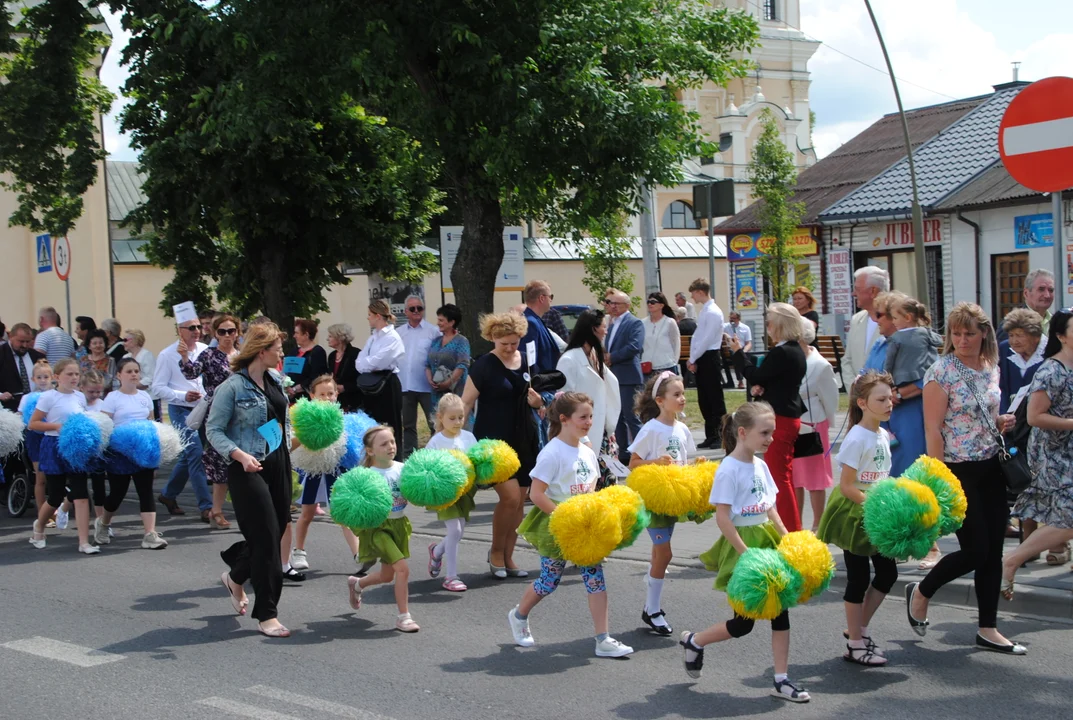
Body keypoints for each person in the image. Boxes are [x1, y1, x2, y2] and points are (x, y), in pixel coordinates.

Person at [907, 302, 1025, 654]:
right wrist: (940, 480)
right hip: (957, 470)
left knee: (994, 552)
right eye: (956, 333)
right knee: (976, 550)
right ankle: (923, 591)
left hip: (991, 465)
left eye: (969, 333)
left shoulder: (991, 366)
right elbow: (933, 430)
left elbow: (983, 413)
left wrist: (1000, 420)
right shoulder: (940, 372)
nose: (962, 339)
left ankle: (988, 628)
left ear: (984, 333)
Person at [684, 402, 809, 703]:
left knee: (781, 609)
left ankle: (782, 679)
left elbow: (770, 507)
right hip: (744, 545)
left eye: (772, 433)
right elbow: (723, 517)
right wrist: (745, 553)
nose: (770, 439)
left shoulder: (761, 465)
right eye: (764, 433)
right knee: (744, 623)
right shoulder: (728, 469)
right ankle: (694, 640)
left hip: (767, 539)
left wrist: (788, 538)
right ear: (742, 432)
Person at [508, 392, 634, 657]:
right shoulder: (552, 453)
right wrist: (563, 516)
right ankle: (519, 615)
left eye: (590, 417)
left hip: (584, 529)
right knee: (549, 581)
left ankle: (603, 639)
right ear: (564, 419)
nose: (588, 422)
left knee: (595, 579)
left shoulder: (587, 452)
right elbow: (536, 494)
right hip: (557, 525)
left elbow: (590, 486)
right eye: (583, 417)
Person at [207, 322, 293, 638]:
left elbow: (281, 423)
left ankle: (235, 575)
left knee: (276, 528)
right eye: (278, 349)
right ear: (261, 350)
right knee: (269, 538)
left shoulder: (276, 380)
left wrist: (293, 448)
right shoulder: (232, 387)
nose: (282, 353)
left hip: (278, 463)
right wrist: (240, 455)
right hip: (247, 468)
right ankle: (267, 614)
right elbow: (213, 430)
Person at [817, 371, 897, 665]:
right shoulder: (857, 437)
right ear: (862, 403)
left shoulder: (882, 434)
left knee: (888, 574)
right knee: (858, 578)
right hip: (856, 511)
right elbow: (847, 485)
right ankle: (855, 642)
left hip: (878, 508)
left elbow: (883, 475)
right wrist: (874, 505)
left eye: (890, 397)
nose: (889, 403)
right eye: (881, 399)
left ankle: (858, 630)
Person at [462, 312, 542, 579]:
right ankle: (495, 551)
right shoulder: (483, 365)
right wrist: (455, 436)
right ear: (492, 338)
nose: (509, 348)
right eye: (503, 343)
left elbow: (540, 398)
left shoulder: (527, 361)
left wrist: (538, 402)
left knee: (519, 502)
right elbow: (466, 402)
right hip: (493, 442)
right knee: (508, 498)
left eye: (513, 342)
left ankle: (509, 556)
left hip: (524, 437)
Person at [1002, 310, 1073, 595]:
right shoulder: (1051, 370)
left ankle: (1013, 559)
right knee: (1068, 518)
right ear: (1060, 336)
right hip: (1053, 453)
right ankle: (1013, 559)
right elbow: (1034, 416)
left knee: (1064, 519)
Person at [729, 303, 807, 532]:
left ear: (781, 324)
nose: (768, 326)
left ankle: (790, 531)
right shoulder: (795, 350)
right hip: (787, 414)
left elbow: (756, 374)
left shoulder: (782, 352)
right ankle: (789, 528)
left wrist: (738, 354)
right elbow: (773, 380)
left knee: (778, 478)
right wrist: (764, 388)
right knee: (783, 476)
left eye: (770, 321)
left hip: (781, 419)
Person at [628, 371, 695, 637]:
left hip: (673, 500)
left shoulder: (683, 429)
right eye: (676, 395)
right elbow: (632, 463)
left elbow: (685, 461)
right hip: (654, 501)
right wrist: (655, 463)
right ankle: (653, 610)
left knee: (660, 555)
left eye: (683, 394)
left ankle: (651, 596)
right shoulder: (651, 429)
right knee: (665, 554)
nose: (682, 399)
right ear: (660, 400)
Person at [346, 425, 419, 632]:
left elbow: (414, 493)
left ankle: (357, 584)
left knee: (388, 576)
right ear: (370, 451)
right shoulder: (366, 475)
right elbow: (353, 505)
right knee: (403, 569)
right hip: (378, 529)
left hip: (399, 525)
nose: (390, 447)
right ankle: (403, 617)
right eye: (384, 444)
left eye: (392, 442)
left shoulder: (403, 469)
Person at [288, 375, 360, 572]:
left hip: (335, 470)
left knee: (342, 512)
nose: (327, 398)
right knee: (307, 513)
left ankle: (358, 554)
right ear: (311, 396)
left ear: (337, 394)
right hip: (312, 470)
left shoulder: (343, 418)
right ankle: (299, 551)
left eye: (331, 393)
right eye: (322, 394)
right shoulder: (304, 418)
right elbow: (294, 443)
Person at [95, 357, 167, 550]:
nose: (134, 374)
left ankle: (150, 534)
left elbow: (151, 423)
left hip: (143, 451)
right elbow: (105, 425)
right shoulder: (112, 398)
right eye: (129, 371)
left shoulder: (145, 397)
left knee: (146, 491)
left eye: (136, 371)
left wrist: (154, 453)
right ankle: (103, 524)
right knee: (118, 493)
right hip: (119, 452)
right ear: (119, 375)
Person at [180, 313, 241, 529]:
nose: (227, 335)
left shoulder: (243, 355)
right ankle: (216, 510)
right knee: (220, 462)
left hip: (241, 414)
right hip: (216, 414)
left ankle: (242, 510)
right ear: (215, 333)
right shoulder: (209, 354)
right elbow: (191, 373)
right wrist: (186, 356)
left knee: (241, 461)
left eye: (231, 331)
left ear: (237, 333)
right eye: (222, 331)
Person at [28, 359, 93, 553]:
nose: (74, 378)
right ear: (57, 377)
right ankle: (39, 525)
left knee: (81, 494)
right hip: (54, 445)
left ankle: (84, 542)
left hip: (75, 448)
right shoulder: (48, 397)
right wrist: (56, 426)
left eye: (76, 374)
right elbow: (34, 424)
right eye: (69, 374)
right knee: (55, 495)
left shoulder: (80, 397)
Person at [152, 316, 211, 520]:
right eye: (192, 327)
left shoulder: (205, 350)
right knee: (195, 453)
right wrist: (181, 395)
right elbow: (157, 387)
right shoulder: (167, 355)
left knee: (189, 456)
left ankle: (168, 495)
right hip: (181, 409)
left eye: (199, 327)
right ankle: (206, 506)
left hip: (203, 407)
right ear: (180, 330)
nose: (197, 330)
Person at [557, 309, 621, 489]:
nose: (606, 331)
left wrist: (610, 430)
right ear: (593, 329)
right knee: (590, 486)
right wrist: (583, 437)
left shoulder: (594, 355)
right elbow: (564, 400)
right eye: (603, 327)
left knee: (608, 486)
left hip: (603, 432)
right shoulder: (569, 360)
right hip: (583, 434)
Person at [425, 393, 478, 592]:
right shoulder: (436, 442)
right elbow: (426, 468)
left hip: (465, 492)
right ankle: (451, 576)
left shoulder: (469, 437)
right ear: (440, 418)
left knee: (459, 531)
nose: (457, 422)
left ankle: (437, 551)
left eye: (461, 417)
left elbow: (475, 461)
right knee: (455, 530)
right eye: (452, 418)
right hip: (444, 493)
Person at [793, 319, 838, 532]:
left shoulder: (820, 365)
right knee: (793, 478)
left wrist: (827, 422)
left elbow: (831, 399)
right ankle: (795, 524)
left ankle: (818, 525)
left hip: (813, 425)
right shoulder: (790, 359)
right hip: (792, 424)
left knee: (815, 478)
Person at [356, 300, 405, 459]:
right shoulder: (373, 338)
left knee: (390, 424)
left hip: (387, 384)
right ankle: (375, 459)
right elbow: (359, 362)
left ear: (378, 316)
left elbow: (380, 361)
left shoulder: (392, 337)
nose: (368, 318)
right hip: (372, 383)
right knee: (373, 424)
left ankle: (395, 460)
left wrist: (368, 363)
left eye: (370, 315)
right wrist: (369, 364)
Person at [604, 288, 644, 462]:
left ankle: (643, 453)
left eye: (616, 303)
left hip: (628, 376)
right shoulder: (611, 323)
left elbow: (634, 346)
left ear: (627, 305)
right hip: (613, 376)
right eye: (609, 303)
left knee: (632, 417)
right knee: (617, 418)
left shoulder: (634, 323)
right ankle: (624, 455)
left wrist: (611, 357)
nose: (612, 306)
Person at [398, 296, 441, 457]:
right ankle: (410, 457)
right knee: (408, 425)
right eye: (412, 309)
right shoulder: (399, 333)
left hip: (427, 386)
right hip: (405, 385)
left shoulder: (433, 331)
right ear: (405, 312)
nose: (416, 311)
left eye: (419, 308)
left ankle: (433, 455)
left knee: (434, 423)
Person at [686, 278, 727, 449]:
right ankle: (710, 434)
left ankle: (720, 435)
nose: (693, 297)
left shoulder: (713, 312)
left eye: (694, 293)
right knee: (704, 398)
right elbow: (697, 337)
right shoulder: (705, 311)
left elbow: (707, 339)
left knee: (714, 398)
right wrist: (692, 357)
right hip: (702, 355)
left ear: (701, 292)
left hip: (710, 355)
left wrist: (693, 357)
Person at [19, 360, 53, 519]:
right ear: (33, 379)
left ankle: (55, 511)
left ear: (52, 377)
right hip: (35, 438)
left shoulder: (56, 395)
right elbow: (21, 418)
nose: (43, 380)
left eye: (46, 376)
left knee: (55, 476)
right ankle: (43, 514)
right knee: (41, 477)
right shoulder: (26, 398)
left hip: (53, 436)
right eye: (39, 377)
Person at [844, 267, 890, 385]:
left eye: (857, 289)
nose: (853, 294)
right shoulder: (856, 320)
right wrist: (855, 391)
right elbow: (847, 361)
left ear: (873, 291)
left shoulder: (895, 322)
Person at [997, 308, 1046, 414]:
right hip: (1011, 421)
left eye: (1020, 335)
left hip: (1041, 419)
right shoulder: (1005, 349)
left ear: (1036, 337)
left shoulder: (1049, 352)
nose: (1014, 341)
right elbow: (1002, 388)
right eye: (1011, 335)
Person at [426, 304, 471, 414]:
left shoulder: (461, 341)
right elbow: (427, 364)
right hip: (436, 393)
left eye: (441, 320)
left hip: (455, 392)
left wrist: (448, 382)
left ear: (451, 322)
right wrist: (430, 379)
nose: (438, 323)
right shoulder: (436, 340)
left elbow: (462, 364)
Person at [996, 269, 1055, 343]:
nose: (1047, 295)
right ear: (1026, 293)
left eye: (1051, 290)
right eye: (1041, 289)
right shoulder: (1012, 324)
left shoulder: (1058, 322)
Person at [0, 322, 45, 411]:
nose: (24, 345)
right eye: (21, 341)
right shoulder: (1, 354)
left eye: (28, 341)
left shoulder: (37, 357)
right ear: (10, 337)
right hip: (8, 410)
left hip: (36, 408)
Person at [641, 291, 681, 380]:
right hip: (647, 366)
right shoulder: (642, 323)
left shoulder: (669, 322)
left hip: (666, 365)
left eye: (653, 302)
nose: (650, 304)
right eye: (648, 302)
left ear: (661, 305)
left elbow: (676, 344)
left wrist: (674, 361)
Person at [287, 318, 329, 402]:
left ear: (306, 334)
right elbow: (286, 371)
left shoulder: (317, 352)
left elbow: (317, 377)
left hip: (307, 398)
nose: (294, 336)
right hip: (291, 397)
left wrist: (296, 389)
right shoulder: (294, 351)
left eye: (297, 333)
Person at [122, 329, 158, 420]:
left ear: (135, 341)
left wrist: (133, 386)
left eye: (125, 340)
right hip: (131, 397)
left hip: (149, 397)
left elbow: (151, 377)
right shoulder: (126, 357)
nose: (123, 343)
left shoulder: (147, 355)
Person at [325, 323, 361, 412]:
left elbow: (360, 379)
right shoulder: (332, 356)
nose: (327, 339)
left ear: (339, 338)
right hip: (336, 401)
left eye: (330, 336)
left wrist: (345, 387)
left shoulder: (355, 354)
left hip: (352, 400)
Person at [722, 312, 752, 389]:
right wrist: (725, 334)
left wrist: (744, 351)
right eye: (730, 318)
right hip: (729, 350)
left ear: (739, 319)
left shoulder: (745, 328)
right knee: (736, 354)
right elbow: (717, 329)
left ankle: (742, 381)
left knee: (739, 355)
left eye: (734, 319)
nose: (731, 321)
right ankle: (740, 381)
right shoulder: (726, 326)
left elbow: (748, 343)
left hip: (742, 349)